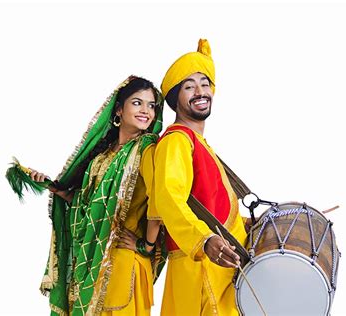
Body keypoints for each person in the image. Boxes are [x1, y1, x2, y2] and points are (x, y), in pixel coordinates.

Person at [29, 76, 166, 315]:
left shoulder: (148, 150)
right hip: (93, 261)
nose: (146, 110)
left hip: (125, 264)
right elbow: (87, 207)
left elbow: (161, 201)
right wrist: (58, 190)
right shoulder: (101, 158)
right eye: (137, 103)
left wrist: (146, 245)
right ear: (119, 110)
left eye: (151, 105)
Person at [153, 39, 247, 315]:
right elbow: (170, 199)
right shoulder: (176, 142)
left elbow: (212, 205)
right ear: (175, 98)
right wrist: (204, 241)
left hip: (220, 269)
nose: (200, 91)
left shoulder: (199, 142)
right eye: (189, 86)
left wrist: (246, 224)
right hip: (199, 268)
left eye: (205, 84)